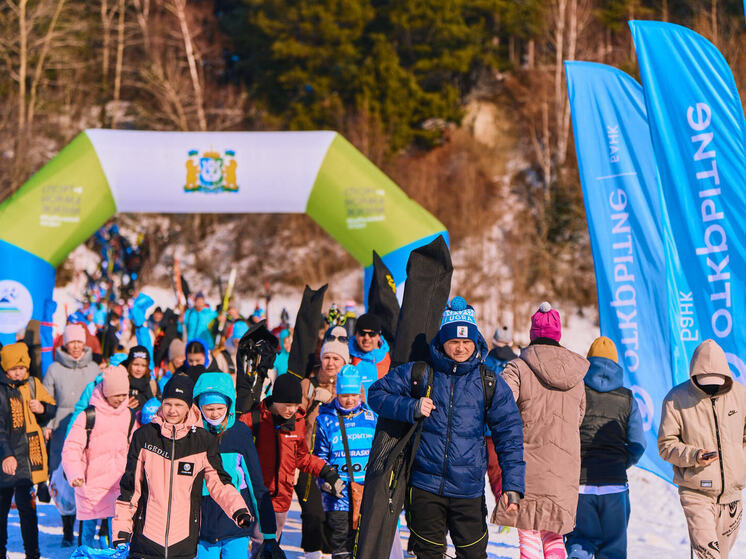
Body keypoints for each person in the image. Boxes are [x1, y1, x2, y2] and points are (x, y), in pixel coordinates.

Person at [369, 296, 525, 559]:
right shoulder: (421, 373)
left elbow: (510, 435)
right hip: (425, 486)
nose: (461, 348)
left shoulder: (488, 382)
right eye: (455, 341)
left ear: (475, 342)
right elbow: (376, 394)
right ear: (443, 341)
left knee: (474, 555)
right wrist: (411, 407)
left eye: (466, 342)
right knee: (428, 554)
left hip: (468, 490)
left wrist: (513, 484)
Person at [112, 375, 253, 557]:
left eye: (179, 405)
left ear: (189, 407)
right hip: (145, 539)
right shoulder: (144, 437)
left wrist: (238, 509)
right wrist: (122, 532)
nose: (172, 411)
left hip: (183, 541)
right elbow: (130, 489)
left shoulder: (203, 441)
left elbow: (219, 482)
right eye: (168, 404)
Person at [492, 302, 588, 559]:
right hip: (564, 469)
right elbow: (578, 417)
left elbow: (501, 407)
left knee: (529, 532)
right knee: (553, 533)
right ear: (558, 335)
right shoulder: (576, 377)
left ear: (533, 333)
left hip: (527, 465)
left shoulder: (518, 368)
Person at [238, 373, 343, 558]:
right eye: (286, 405)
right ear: (275, 400)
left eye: (295, 405)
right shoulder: (255, 418)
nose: (291, 410)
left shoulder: (297, 422)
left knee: (270, 545)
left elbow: (302, 458)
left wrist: (327, 471)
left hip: (281, 497)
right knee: (256, 543)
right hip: (254, 495)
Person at [658, 339, 746, 559]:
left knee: (722, 555)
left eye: (716, 382)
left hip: (732, 495)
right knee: (710, 556)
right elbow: (666, 445)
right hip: (695, 492)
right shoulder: (675, 399)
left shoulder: (741, 395)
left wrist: (739, 461)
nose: (710, 388)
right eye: (704, 382)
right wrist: (694, 455)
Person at [565, 337, 646, 559]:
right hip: (615, 484)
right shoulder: (627, 398)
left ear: (588, 361)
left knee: (580, 541)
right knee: (613, 549)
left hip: (579, 485)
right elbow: (638, 444)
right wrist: (621, 461)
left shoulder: (575, 392)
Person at [193, 372, 277, 559]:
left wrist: (269, 533)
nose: (214, 414)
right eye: (209, 409)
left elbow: (256, 482)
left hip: (236, 517)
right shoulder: (193, 435)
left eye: (219, 408)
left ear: (229, 406)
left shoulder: (239, 433)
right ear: (198, 407)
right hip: (202, 521)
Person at [61, 365, 136, 549]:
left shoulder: (128, 416)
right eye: (116, 394)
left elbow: (136, 448)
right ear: (106, 391)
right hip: (91, 485)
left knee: (115, 533)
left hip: (118, 485)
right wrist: (75, 473)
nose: (120, 399)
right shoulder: (89, 416)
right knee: (87, 532)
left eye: (123, 394)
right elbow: (72, 448)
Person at [43, 323, 102, 546]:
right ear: (65, 344)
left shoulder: (94, 368)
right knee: (64, 477)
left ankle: (83, 530)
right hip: (62, 427)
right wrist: (47, 424)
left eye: (79, 342)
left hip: (89, 425)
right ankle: (67, 529)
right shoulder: (54, 369)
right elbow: (47, 400)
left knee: (86, 478)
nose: (75, 346)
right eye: (71, 342)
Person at [314, 365, 377, 559]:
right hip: (338, 491)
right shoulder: (325, 420)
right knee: (340, 539)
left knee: (362, 541)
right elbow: (320, 457)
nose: (349, 400)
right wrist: (324, 481)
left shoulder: (372, 418)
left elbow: (379, 453)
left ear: (360, 393)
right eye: (344, 395)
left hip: (364, 490)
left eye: (353, 395)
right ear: (337, 394)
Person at [297, 325, 349, 559]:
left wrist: (335, 400)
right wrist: (313, 404)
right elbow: (295, 418)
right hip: (310, 460)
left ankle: (330, 552)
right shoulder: (307, 386)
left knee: (334, 517)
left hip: (338, 461)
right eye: (326, 357)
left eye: (336, 358)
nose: (330, 363)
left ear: (344, 361)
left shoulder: (351, 387)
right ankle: (311, 553)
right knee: (312, 513)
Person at [0, 343, 56, 559]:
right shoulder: (2, 390)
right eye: (14, 369)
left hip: (28, 458)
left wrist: (42, 409)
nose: (19, 372)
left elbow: (51, 407)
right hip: (5, 458)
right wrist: (6, 454)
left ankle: (32, 553)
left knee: (28, 511)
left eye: (22, 368)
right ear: (5, 369)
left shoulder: (33, 383)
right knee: (2, 510)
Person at [349, 313, 391, 398]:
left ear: (379, 336)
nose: (366, 338)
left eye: (371, 334)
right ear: (356, 335)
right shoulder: (347, 357)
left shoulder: (389, 358)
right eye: (362, 333)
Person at [124, 345, 158, 411]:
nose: (139, 369)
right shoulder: (121, 382)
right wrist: (124, 409)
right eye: (135, 364)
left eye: (143, 366)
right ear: (129, 364)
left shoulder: (151, 384)